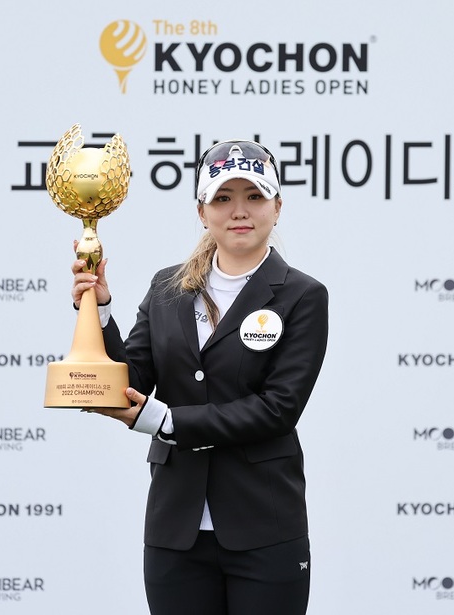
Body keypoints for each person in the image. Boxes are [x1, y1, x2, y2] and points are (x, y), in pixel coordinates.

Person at [71, 139, 329, 615]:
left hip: (264, 527)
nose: (239, 211)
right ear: (201, 211)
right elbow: (133, 379)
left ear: (277, 207)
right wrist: (99, 309)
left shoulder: (302, 295)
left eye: (254, 196)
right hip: (176, 528)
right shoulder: (166, 287)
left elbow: (279, 408)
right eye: (222, 197)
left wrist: (168, 422)